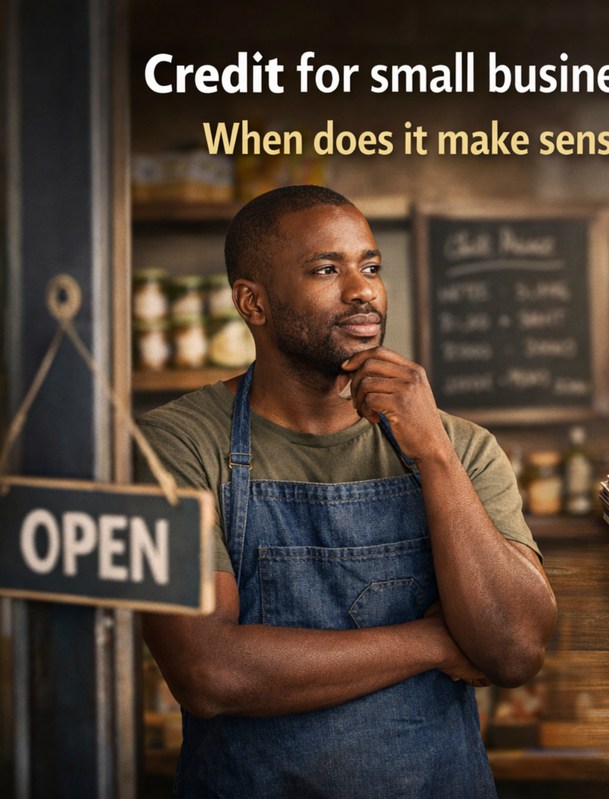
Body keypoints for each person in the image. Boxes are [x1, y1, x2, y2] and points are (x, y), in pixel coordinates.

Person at [138, 185, 557, 797]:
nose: (362, 290)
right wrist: (437, 640)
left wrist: (434, 454)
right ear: (252, 302)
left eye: (371, 267)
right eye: (326, 269)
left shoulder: (462, 446)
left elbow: (515, 651)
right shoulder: (175, 446)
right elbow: (210, 672)